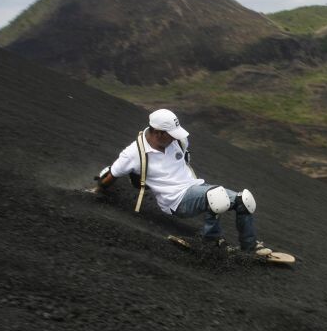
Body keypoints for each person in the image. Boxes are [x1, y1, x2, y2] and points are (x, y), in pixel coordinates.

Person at [94, 108, 272, 256]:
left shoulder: (178, 141)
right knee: (216, 197)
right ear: (158, 133)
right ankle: (210, 242)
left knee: (244, 200)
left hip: (195, 188)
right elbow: (112, 174)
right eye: (170, 134)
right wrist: (98, 190)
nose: (174, 138)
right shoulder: (133, 154)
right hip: (175, 200)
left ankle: (250, 246)